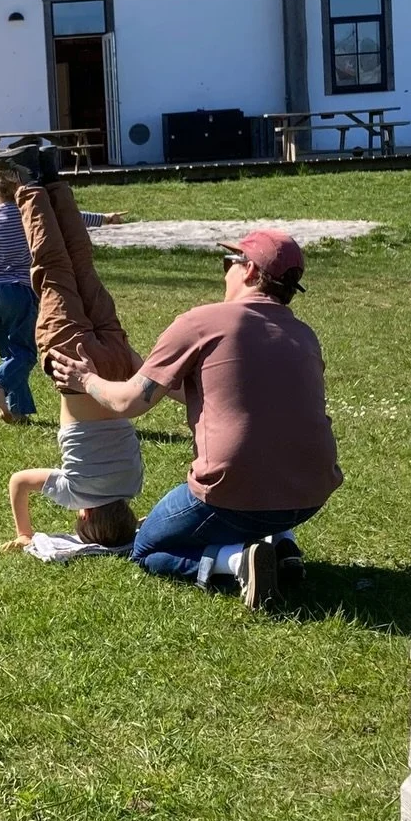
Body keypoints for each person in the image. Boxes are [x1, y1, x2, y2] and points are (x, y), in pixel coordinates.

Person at [48, 229, 342, 609]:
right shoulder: (303, 334)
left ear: (250, 271)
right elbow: (213, 394)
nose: (224, 273)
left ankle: (238, 563)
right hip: (309, 493)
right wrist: (145, 367)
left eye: (228, 264)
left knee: (148, 547)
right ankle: (283, 545)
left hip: (232, 494)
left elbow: (129, 404)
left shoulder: (202, 322)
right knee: (270, 455)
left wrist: (84, 379)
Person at [2, 168, 144, 551]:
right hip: (75, 365)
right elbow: (19, 481)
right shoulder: (75, 493)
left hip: (117, 365)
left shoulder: (133, 484)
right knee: (52, 271)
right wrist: (24, 533)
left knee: (81, 266)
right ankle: (30, 181)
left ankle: (52, 177)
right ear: (84, 515)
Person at [0, 160, 122, 423]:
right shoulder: (25, 212)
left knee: (10, 352)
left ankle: (17, 411)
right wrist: (105, 218)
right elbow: (69, 217)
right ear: (19, 183)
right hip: (22, 291)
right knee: (27, 353)